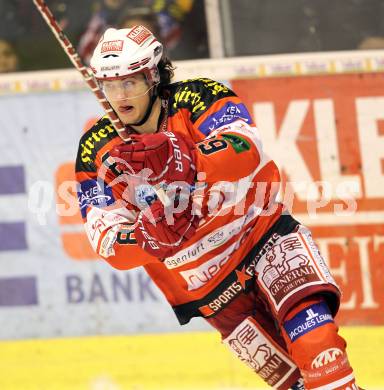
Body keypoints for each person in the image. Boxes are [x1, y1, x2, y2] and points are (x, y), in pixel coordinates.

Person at [75, 26, 362, 390]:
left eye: (130, 82)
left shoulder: (199, 96)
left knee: (322, 353)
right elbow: (108, 242)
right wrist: (147, 237)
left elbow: (246, 146)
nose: (119, 95)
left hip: (264, 241)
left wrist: (189, 161)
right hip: (210, 291)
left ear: (154, 74)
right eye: (109, 85)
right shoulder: (95, 149)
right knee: (296, 385)